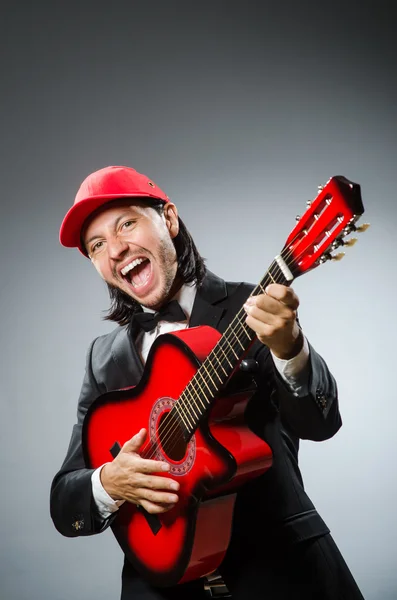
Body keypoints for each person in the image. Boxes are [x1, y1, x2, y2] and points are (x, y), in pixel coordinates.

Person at [50, 165, 364, 600]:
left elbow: (319, 423)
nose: (117, 250)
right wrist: (107, 483)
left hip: (281, 575)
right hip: (160, 586)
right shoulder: (104, 358)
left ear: (170, 219)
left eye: (127, 223)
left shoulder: (250, 307)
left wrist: (290, 347)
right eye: (97, 245)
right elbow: (65, 500)